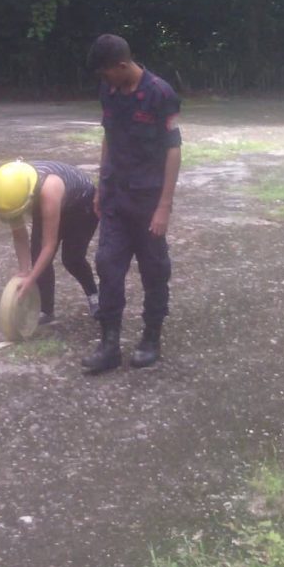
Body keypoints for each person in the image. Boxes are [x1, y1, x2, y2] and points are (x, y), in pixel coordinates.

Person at [82, 34, 182, 373]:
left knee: (155, 271)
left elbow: (173, 150)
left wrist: (164, 206)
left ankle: (151, 338)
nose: (104, 79)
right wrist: (101, 186)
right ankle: (109, 345)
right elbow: (108, 137)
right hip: (116, 200)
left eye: (106, 72)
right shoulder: (108, 91)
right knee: (107, 266)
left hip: (148, 202)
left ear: (123, 66)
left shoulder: (160, 93)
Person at [0, 160, 99, 323]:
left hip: (81, 205)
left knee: (72, 258)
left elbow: (49, 245)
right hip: (49, 200)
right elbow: (19, 236)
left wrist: (31, 279)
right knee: (37, 255)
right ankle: (46, 310)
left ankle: (94, 295)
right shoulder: (6, 193)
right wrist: (24, 271)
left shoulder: (48, 189)